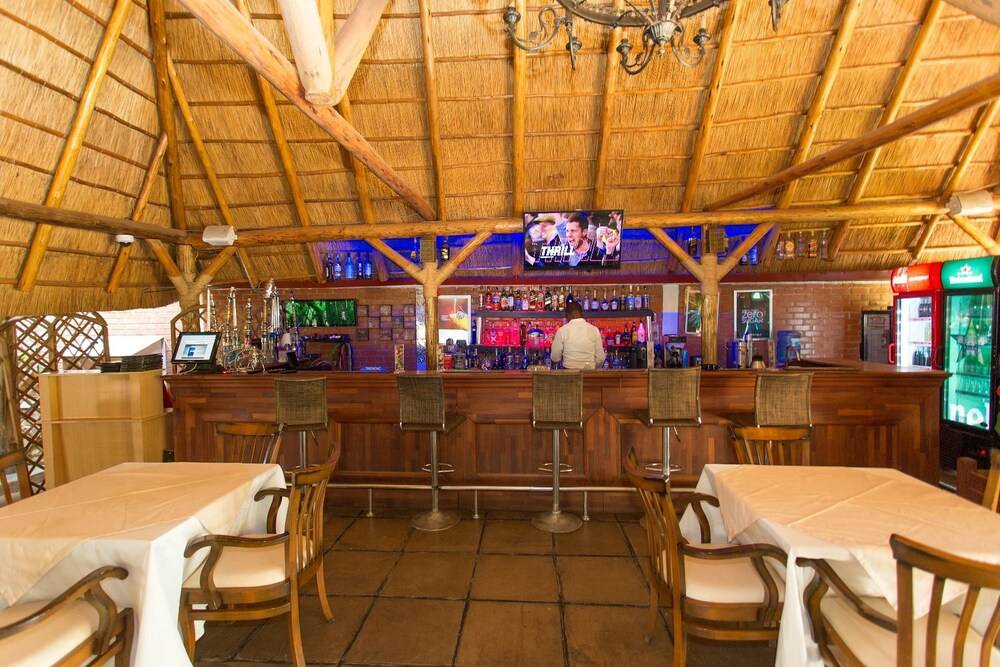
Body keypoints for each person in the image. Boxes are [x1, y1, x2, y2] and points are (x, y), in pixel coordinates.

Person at [550, 302, 606, 370]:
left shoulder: (562, 330)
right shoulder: (594, 330)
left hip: (569, 373)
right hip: (589, 373)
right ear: (582, 314)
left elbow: (555, 357)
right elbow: (601, 358)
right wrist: (593, 368)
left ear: (567, 315)